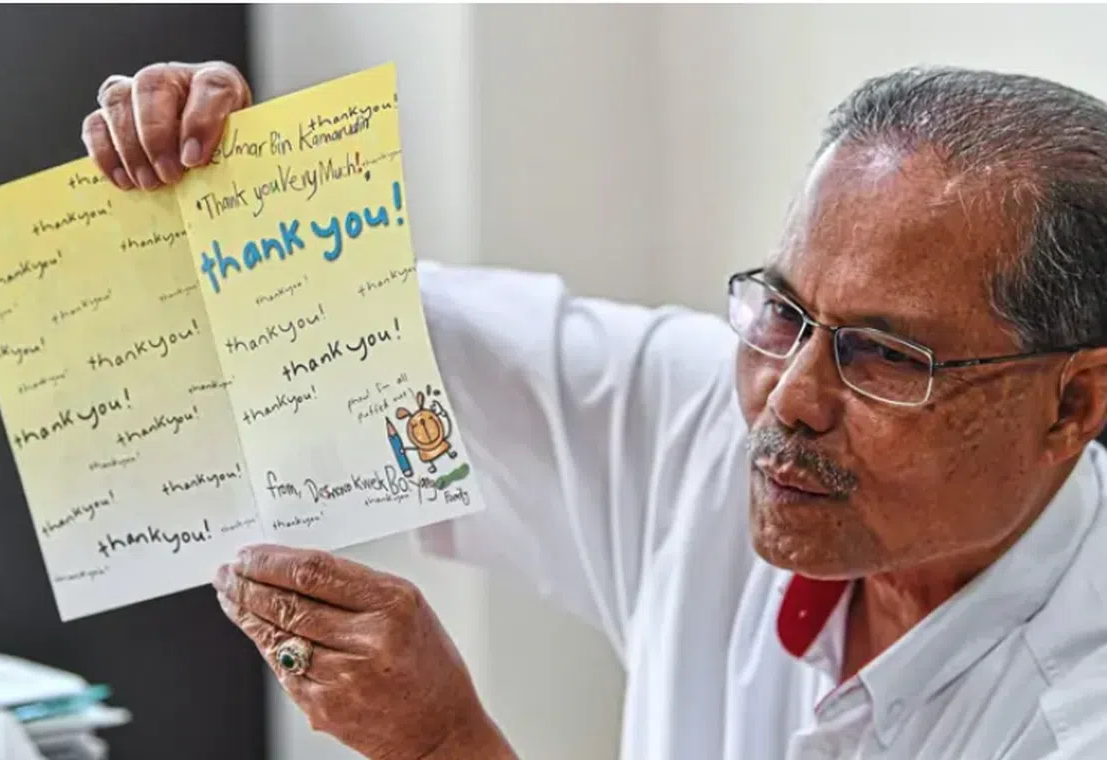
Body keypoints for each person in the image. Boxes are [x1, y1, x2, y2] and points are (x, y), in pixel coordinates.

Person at [81, 61, 1107, 759]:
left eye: (884, 355)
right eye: (784, 310)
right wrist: (208, 178)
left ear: (1073, 401)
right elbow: (327, 334)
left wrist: (444, 745)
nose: (790, 398)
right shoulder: (712, 416)